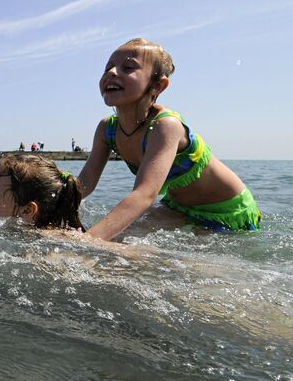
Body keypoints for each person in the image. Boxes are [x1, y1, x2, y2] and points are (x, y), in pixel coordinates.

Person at [78, 38, 260, 240]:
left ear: (157, 86)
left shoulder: (165, 126)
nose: (112, 72)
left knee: (120, 241)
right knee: (123, 236)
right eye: (107, 68)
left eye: (128, 68)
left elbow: (144, 194)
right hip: (178, 207)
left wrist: (88, 239)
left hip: (227, 211)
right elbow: (84, 183)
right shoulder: (107, 129)